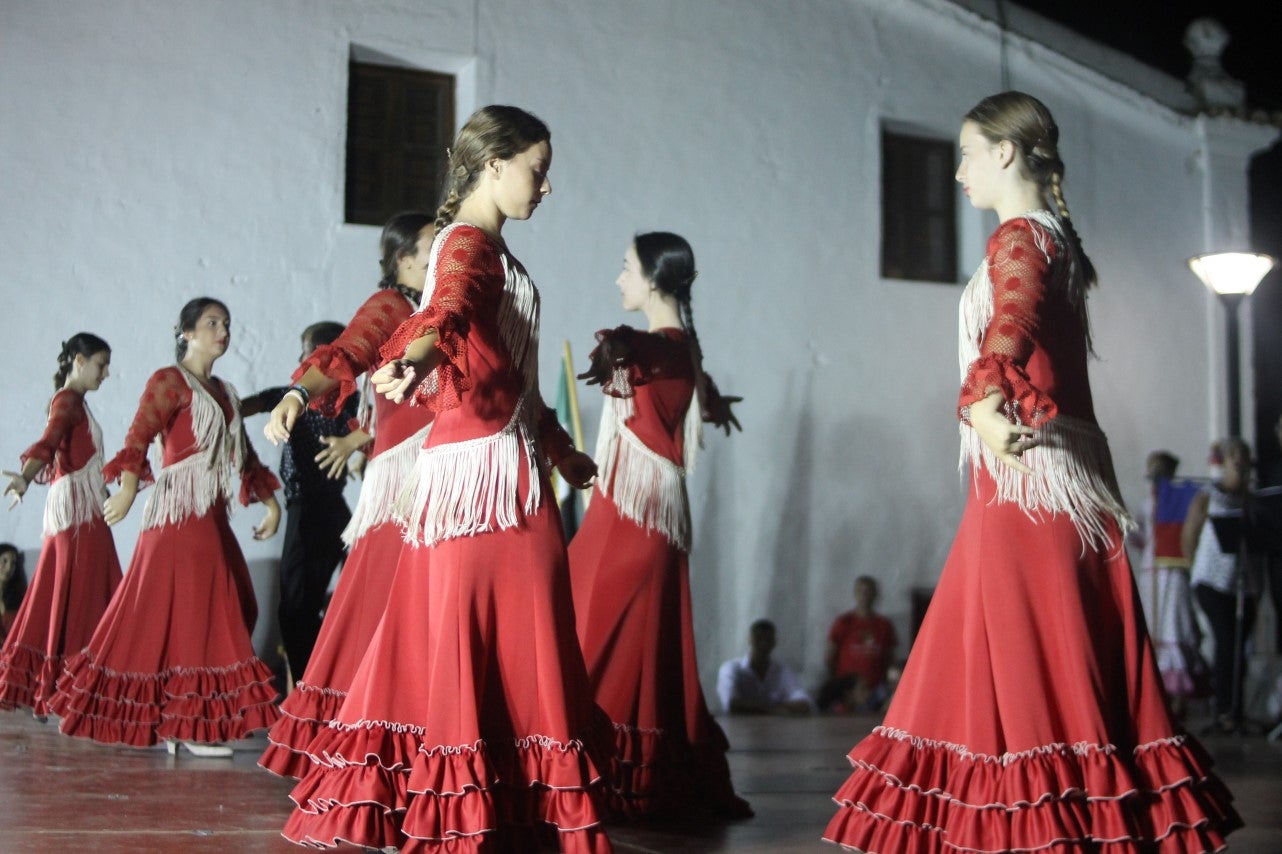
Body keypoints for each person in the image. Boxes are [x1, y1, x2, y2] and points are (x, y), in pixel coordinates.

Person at [825, 92, 1240, 852]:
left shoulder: (1020, 237)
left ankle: (1043, 824)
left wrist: (983, 400)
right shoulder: (1057, 239)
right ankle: (1048, 818)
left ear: (1006, 153)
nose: (956, 173)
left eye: (967, 154)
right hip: (1057, 476)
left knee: (1018, 653)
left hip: (1031, 477)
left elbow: (1008, 321)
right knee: (996, 647)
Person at [283, 105, 614, 852]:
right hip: (479, 481)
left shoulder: (496, 250)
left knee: (497, 636)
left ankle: (486, 807)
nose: (547, 186)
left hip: (503, 466)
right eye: (538, 169)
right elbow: (450, 313)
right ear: (493, 165)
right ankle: (472, 811)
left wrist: (560, 449)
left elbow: (511, 376)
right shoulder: (466, 243)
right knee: (488, 636)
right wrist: (417, 360)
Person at [49, 298, 282, 757]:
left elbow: (245, 456)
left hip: (208, 513)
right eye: (212, 323)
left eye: (227, 324)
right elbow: (138, 437)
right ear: (187, 333)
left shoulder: (226, 392)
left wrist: (271, 506)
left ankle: (185, 722)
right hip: (177, 514)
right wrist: (125, 489)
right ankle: (189, 728)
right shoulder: (168, 381)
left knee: (232, 601)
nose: (223, 331)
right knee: (204, 611)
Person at [568, 231, 749, 820]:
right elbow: (689, 378)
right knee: (591, 630)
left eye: (625, 268)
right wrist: (714, 403)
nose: (618, 278)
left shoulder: (659, 346)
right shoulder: (678, 348)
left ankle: (586, 771)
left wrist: (615, 346)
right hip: (628, 517)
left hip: (635, 524)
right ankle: (587, 766)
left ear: (651, 278)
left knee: (604, 643)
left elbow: (646, 352)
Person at [257, 211, 436, 779]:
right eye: (435, 243)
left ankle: (423, 742)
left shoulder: (445, 311)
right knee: (381, 606)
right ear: (404, 257)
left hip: (445, 477)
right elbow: (344, 354)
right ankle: (367, 747)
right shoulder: (390, 308)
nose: (447, 249)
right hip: (400, 486)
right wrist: (294, 393)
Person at [0, 334, 122, 717]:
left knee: (78, 597)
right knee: (82, 598)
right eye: (100, 364)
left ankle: (74, 688)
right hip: (76, 516)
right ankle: (72, 688)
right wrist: (24, 476)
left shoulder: (76, 404)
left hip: (83, 513)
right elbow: (48, 442)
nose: (105, 373)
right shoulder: (67, 401)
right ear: (79, 362)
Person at [240, 321, 358, 686]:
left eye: (304, 351)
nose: (299, 360)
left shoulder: (348, 399)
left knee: (297, 607)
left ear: (321, 354)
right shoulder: (296, 396)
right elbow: (245, 406)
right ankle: (314, 684)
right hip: (328, 511)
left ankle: (312, 686)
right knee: (305, 606)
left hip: (313, 510)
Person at [1186, 437, 1259, 733]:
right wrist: (1195, 570)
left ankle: (1237, 710)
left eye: (1244, 457)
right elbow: (1189, 534)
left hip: (1245, 584)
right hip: (1212, 581)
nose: (1239, 462)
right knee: (1225, 640)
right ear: (1226, 461)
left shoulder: (1253, 499)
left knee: (1240, 645)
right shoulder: (1209, 495)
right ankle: (1223, 710)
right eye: (1234, 457)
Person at [1128, 450, 1208, 714]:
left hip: (1173, 569)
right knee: (1155, 624)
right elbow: (1138, 534)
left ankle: (1181, 694)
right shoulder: (1147, 503)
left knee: (1176, 621)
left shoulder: (1179, 499)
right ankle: (1159, 693)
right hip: (1153, 569)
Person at [816, 575, 897, 713]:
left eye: (869, 592)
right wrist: (842, 685)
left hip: (876, 689)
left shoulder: (884, 625)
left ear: (875, 595)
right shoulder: (843, 622)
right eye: (861, 591)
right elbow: (830, 658)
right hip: (848, 692)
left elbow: (889, 658)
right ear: (855, 594)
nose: (865, 596)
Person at [717, 619, 813, 716]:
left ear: (774, 642)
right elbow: (732, 704)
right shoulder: (730, 669)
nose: (763, 643)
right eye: (759, 638)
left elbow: (804, 704)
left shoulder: (783, 671)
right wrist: (776, 709)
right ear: (750, 639)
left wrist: (753, 707)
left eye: (768, 639)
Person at [0, 544, 29, 644]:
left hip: (11, 654)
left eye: (13, 563)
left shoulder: (20, 596)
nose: (9, 568)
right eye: (4, 561)